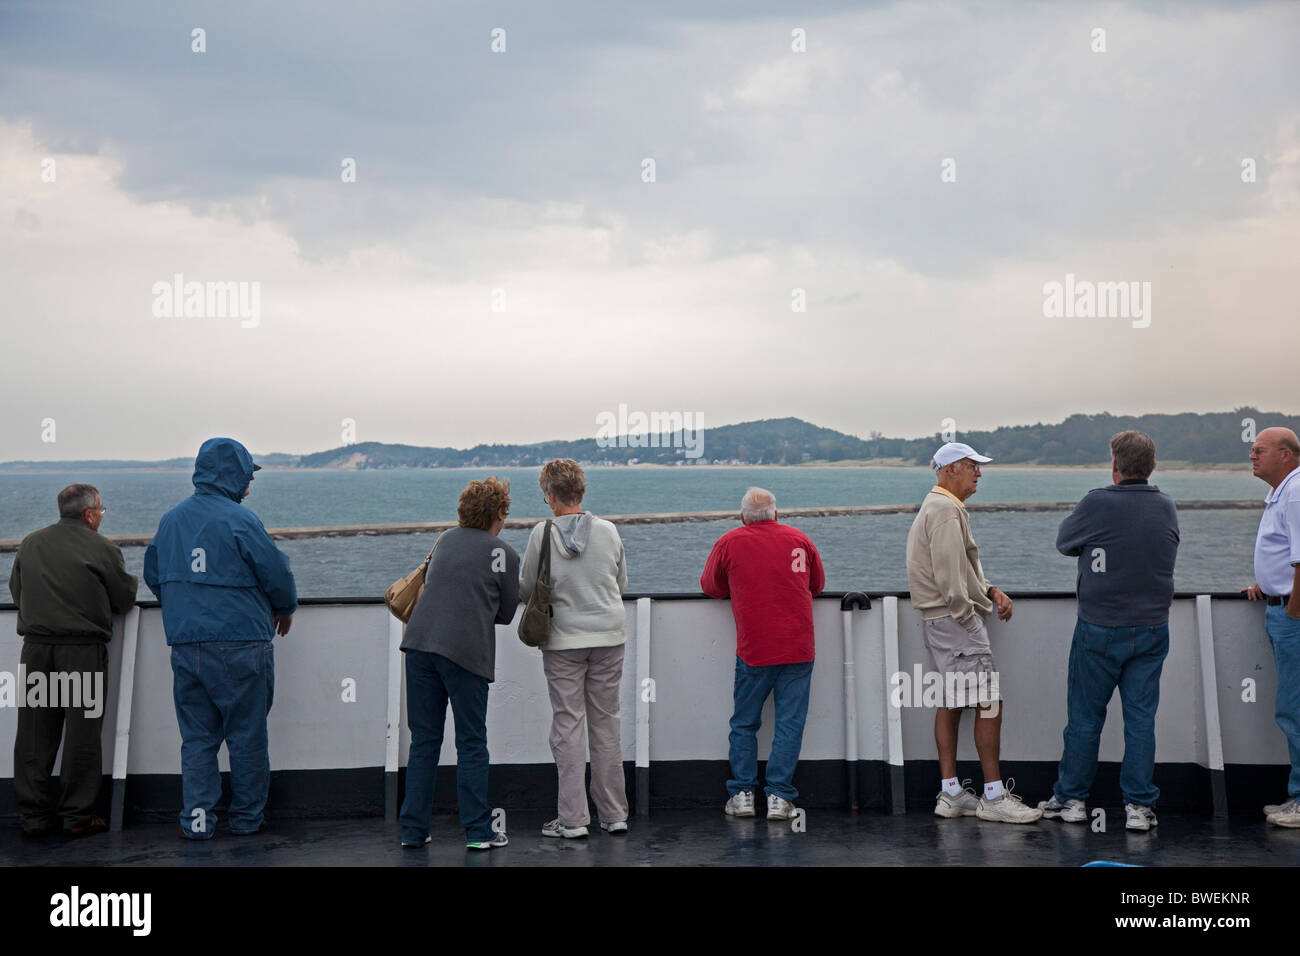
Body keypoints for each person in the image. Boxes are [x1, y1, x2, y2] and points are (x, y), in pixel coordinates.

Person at [144, 437, 296, 840]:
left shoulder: (171, 520)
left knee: (197, 739)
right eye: (248, 475)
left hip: (186, 645)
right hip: (242, 644)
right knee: (246, 737)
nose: (250, 484)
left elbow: (155, 575)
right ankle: (246, 821)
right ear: (235, 476)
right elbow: (277, 575)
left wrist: (184, 607)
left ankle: (198, 824)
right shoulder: (241, 521)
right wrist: (286, 607)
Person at [1037, 431, 1179, 832]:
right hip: (1152, 628)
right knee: (1140, 720)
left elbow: (1065, 542)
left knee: (1084, 718)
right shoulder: (1166, 505)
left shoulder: (1098, 501)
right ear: (1150, 467)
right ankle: (1138, 806)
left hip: (1100, 627)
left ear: (1115, 466)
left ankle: (1071, 800)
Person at [905, 442, 1041, 823]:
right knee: (989, 703)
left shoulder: (937, 507)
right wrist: (970, 620)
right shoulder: (947, 510)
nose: (978, 473)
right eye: (971, 466)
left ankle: (951, 793)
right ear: (949, 470)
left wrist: (991, 590)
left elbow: (961, 569)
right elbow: (951, 579)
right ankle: (994, 797)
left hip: (938, 620)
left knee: (950, 701)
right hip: (955, 622)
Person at [9, 484, 137, 838]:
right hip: (81, 651)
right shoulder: (103, 547)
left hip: (36, 650)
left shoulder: (31, 543)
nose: (101, 516)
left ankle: (33, 818)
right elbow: (124, 598)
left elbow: (17, 591)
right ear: (89, 514)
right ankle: (77, 816)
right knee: (81, 735)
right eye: (101, 510)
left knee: (35, 735)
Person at [400, 476, 520, 850]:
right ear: (500, 513)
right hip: (464, 651)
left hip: (419, 644)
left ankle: (413, 831)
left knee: (424, 741)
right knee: (470, 742)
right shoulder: (505, 554)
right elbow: (505, 613)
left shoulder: (446, 539)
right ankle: (478, 831)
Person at [519, 459, 630, 839]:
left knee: (568, 726)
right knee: (607, 723)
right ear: (581, 492)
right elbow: (621, 581)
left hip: (563, 640)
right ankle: (614, 814)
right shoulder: (609, 531)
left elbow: (526, 587)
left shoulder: (541, 533)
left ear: (551, 496)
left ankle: (573, 820)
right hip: (609, 637)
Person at [701, 487, 824, 821]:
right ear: (776, 513)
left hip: (754, 650)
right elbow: (817, 586)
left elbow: (710, 587)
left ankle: (742, 794)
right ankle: (780, 797)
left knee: (744, 723)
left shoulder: (729, 543)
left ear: (743, 517)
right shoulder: (800, 539)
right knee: (789, 724)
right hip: (798, 648)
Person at [1241, 426, 1300, 827]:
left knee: (1294, 709)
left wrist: (1292, 611)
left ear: (1286, 453)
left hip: (1292, 617)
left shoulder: (1295, 492)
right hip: (1280, 606)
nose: (1252, 455)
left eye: (1259, 450)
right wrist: (1268, 583)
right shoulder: (1284, 491)